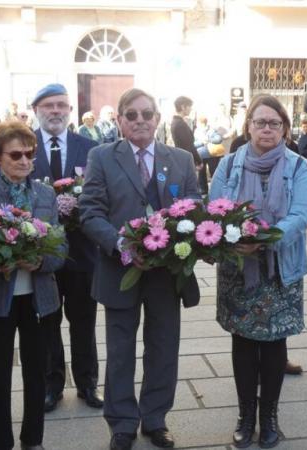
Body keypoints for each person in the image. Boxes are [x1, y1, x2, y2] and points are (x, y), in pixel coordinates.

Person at [79, 88, 200, 450]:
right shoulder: (101, 156)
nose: (140, 120)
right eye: (131, 115)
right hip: (120, 270)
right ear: (119, 121)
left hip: (166, 274)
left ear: (158, 119)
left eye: (147, 114)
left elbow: (194, 207)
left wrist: (184, 238)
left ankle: (155, 418)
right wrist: (122, 245)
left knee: (163, 347)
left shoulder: (179, 159)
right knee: (119, 351)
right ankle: (122, 422)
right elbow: (90, 212)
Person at [209, 94, 307, 449]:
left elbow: (302, 213)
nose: (266, 129)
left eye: (274, 123)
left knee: (273, 345)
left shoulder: (298, 165)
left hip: (279, 268)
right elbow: (215, 207)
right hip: (239, 268)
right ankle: (245, 415)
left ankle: (269, 416)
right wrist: (234, 237)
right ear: (248, 126)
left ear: (284, 128)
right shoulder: (230, 163)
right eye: (260, 122)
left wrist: (266, 239)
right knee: (242, 342)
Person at [0, 121, 67, 450]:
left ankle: (33, 440)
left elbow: (61, 249)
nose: (24, 160)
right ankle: (1, 443)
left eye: (29, 153)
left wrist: (40, 261)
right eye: (15, 154)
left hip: (39, 299)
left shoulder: (45, 193)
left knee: (36, 372)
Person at [27, 83, 103, 412]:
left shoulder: (90, 147)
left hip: (82, 251)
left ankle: (87, 383)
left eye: (61, 105)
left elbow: (101, 195)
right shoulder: (23, 147)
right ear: (36, 111)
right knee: (47, 321)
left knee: (84, 321)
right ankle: (51, 385)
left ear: (70, 111)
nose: (55, 111)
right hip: (40, 255)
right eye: (48, 106)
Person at [170, 96, 203, 190]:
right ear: (183, 107)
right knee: (191, 189)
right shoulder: (180, 124)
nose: (191, 109)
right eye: (189, 106)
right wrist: (199, 161)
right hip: (185, 161)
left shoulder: (176, 122)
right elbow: (189, 145)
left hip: (181, 159)